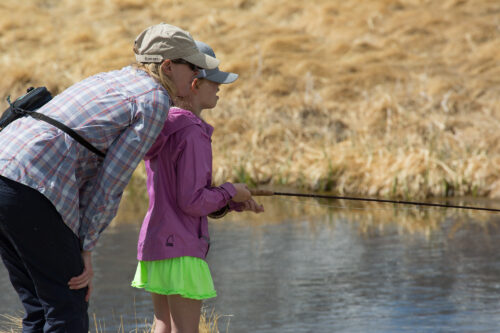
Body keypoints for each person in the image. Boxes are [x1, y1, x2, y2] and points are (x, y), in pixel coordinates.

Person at [0, 23, 219, 332]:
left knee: (39, 307)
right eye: (192, 66)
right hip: (32, 183)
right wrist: (85, 248)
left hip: (6, 169)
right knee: (67, 309)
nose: (196, 75)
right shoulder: (154, 100)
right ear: (168, 66)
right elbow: (110, 184)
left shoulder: (116, 78)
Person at [131, 41, 264, 333]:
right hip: (181, 248)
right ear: (194, 84)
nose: (219, 88)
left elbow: (182, 192)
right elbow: (191, 201)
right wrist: (230, 191)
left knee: (163, 324)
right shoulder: (192, 132)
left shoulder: (164, 124)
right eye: (214, 82)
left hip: (156, 243)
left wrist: (233, 200)